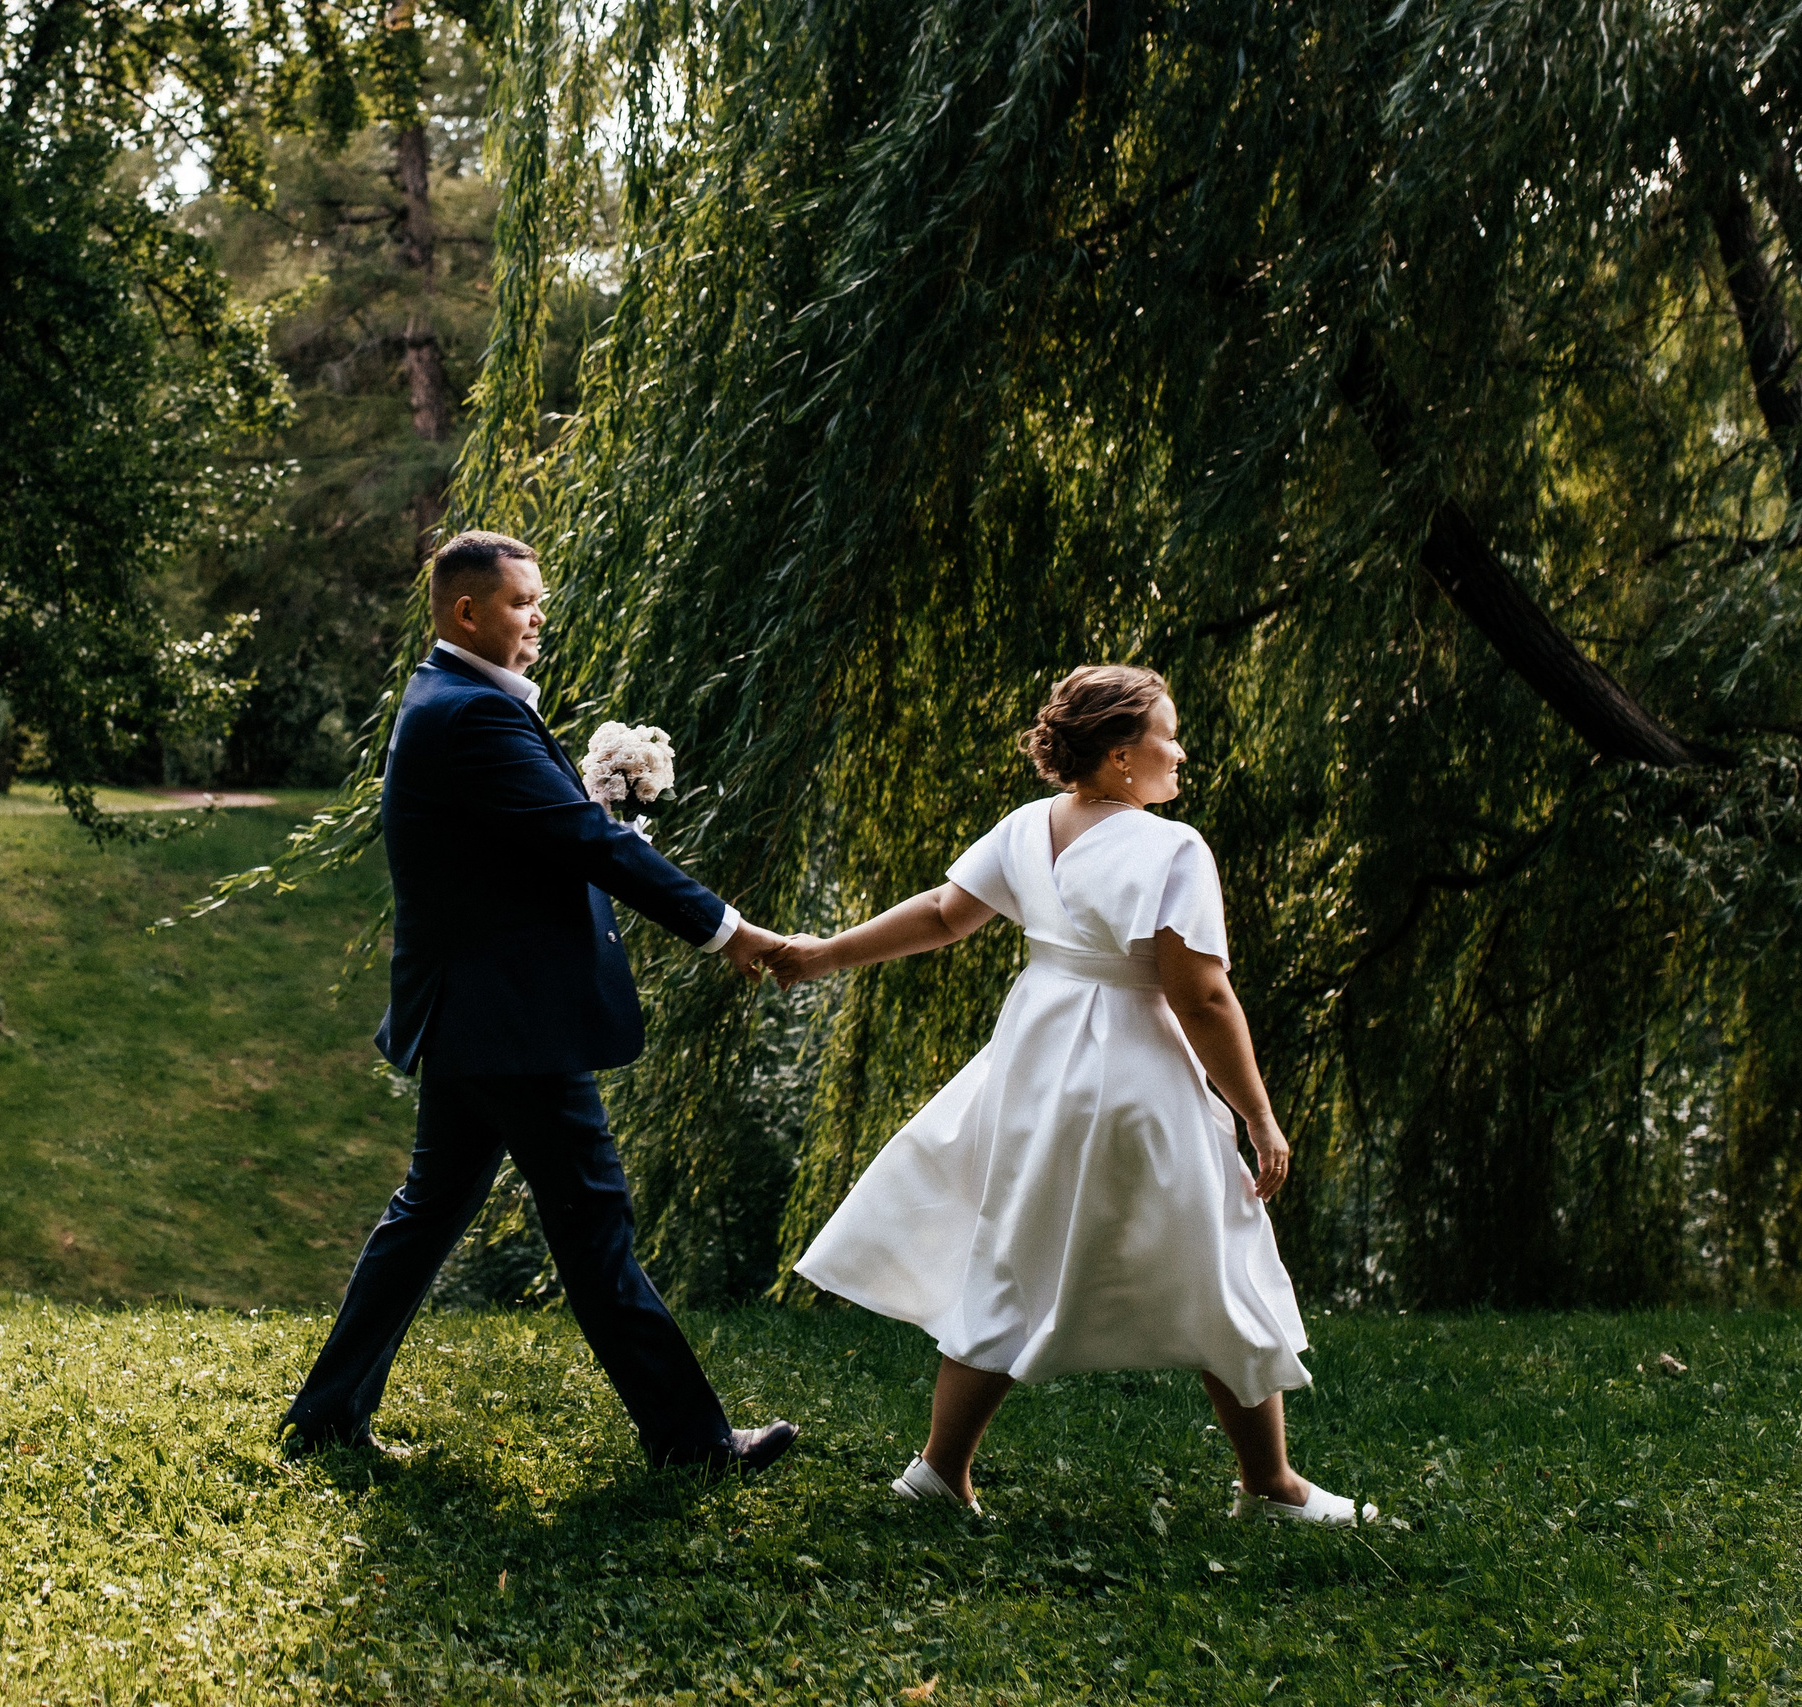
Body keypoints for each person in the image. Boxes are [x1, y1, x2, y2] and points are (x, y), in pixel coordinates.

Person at [769, 665, 1370, 1525]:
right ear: (1123, 756)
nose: (1182, 750)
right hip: (1133, 1068)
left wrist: (825, 952)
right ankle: (1270, 1486)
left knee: (1017, 1248)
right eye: (1169, 734)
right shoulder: (1172, 847)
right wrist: (1259, 1114)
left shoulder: (1026, 827)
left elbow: (943, 914)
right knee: (1222, 1253)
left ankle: (939, 1471)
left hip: (1037, 1056)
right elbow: (1199, 995)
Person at [280, 529, 800, 1474]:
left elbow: (530, 841)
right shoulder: (471, 713)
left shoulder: (453, 699)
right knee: (595, 1230)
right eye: (522, 604)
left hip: (475, 1016)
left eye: (538, 605)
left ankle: (325, 1417)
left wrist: (592, 805)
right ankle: (693, 1442)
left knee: (427, 1214)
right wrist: (732, 931)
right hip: (513, 1025)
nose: (536, 622)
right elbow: (588, 849)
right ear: (466, 611)